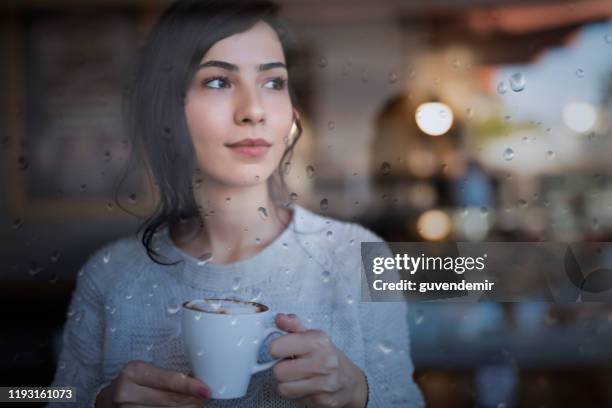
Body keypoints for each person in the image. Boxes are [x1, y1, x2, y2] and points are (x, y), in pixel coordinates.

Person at [47, 0, 425, 407]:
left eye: (273, 82)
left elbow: (407, 400)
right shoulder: (110, 275)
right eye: (218, 82)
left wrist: (360, 393)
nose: (254, 111)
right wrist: (99, 403)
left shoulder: (356, 256)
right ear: (167, 109)